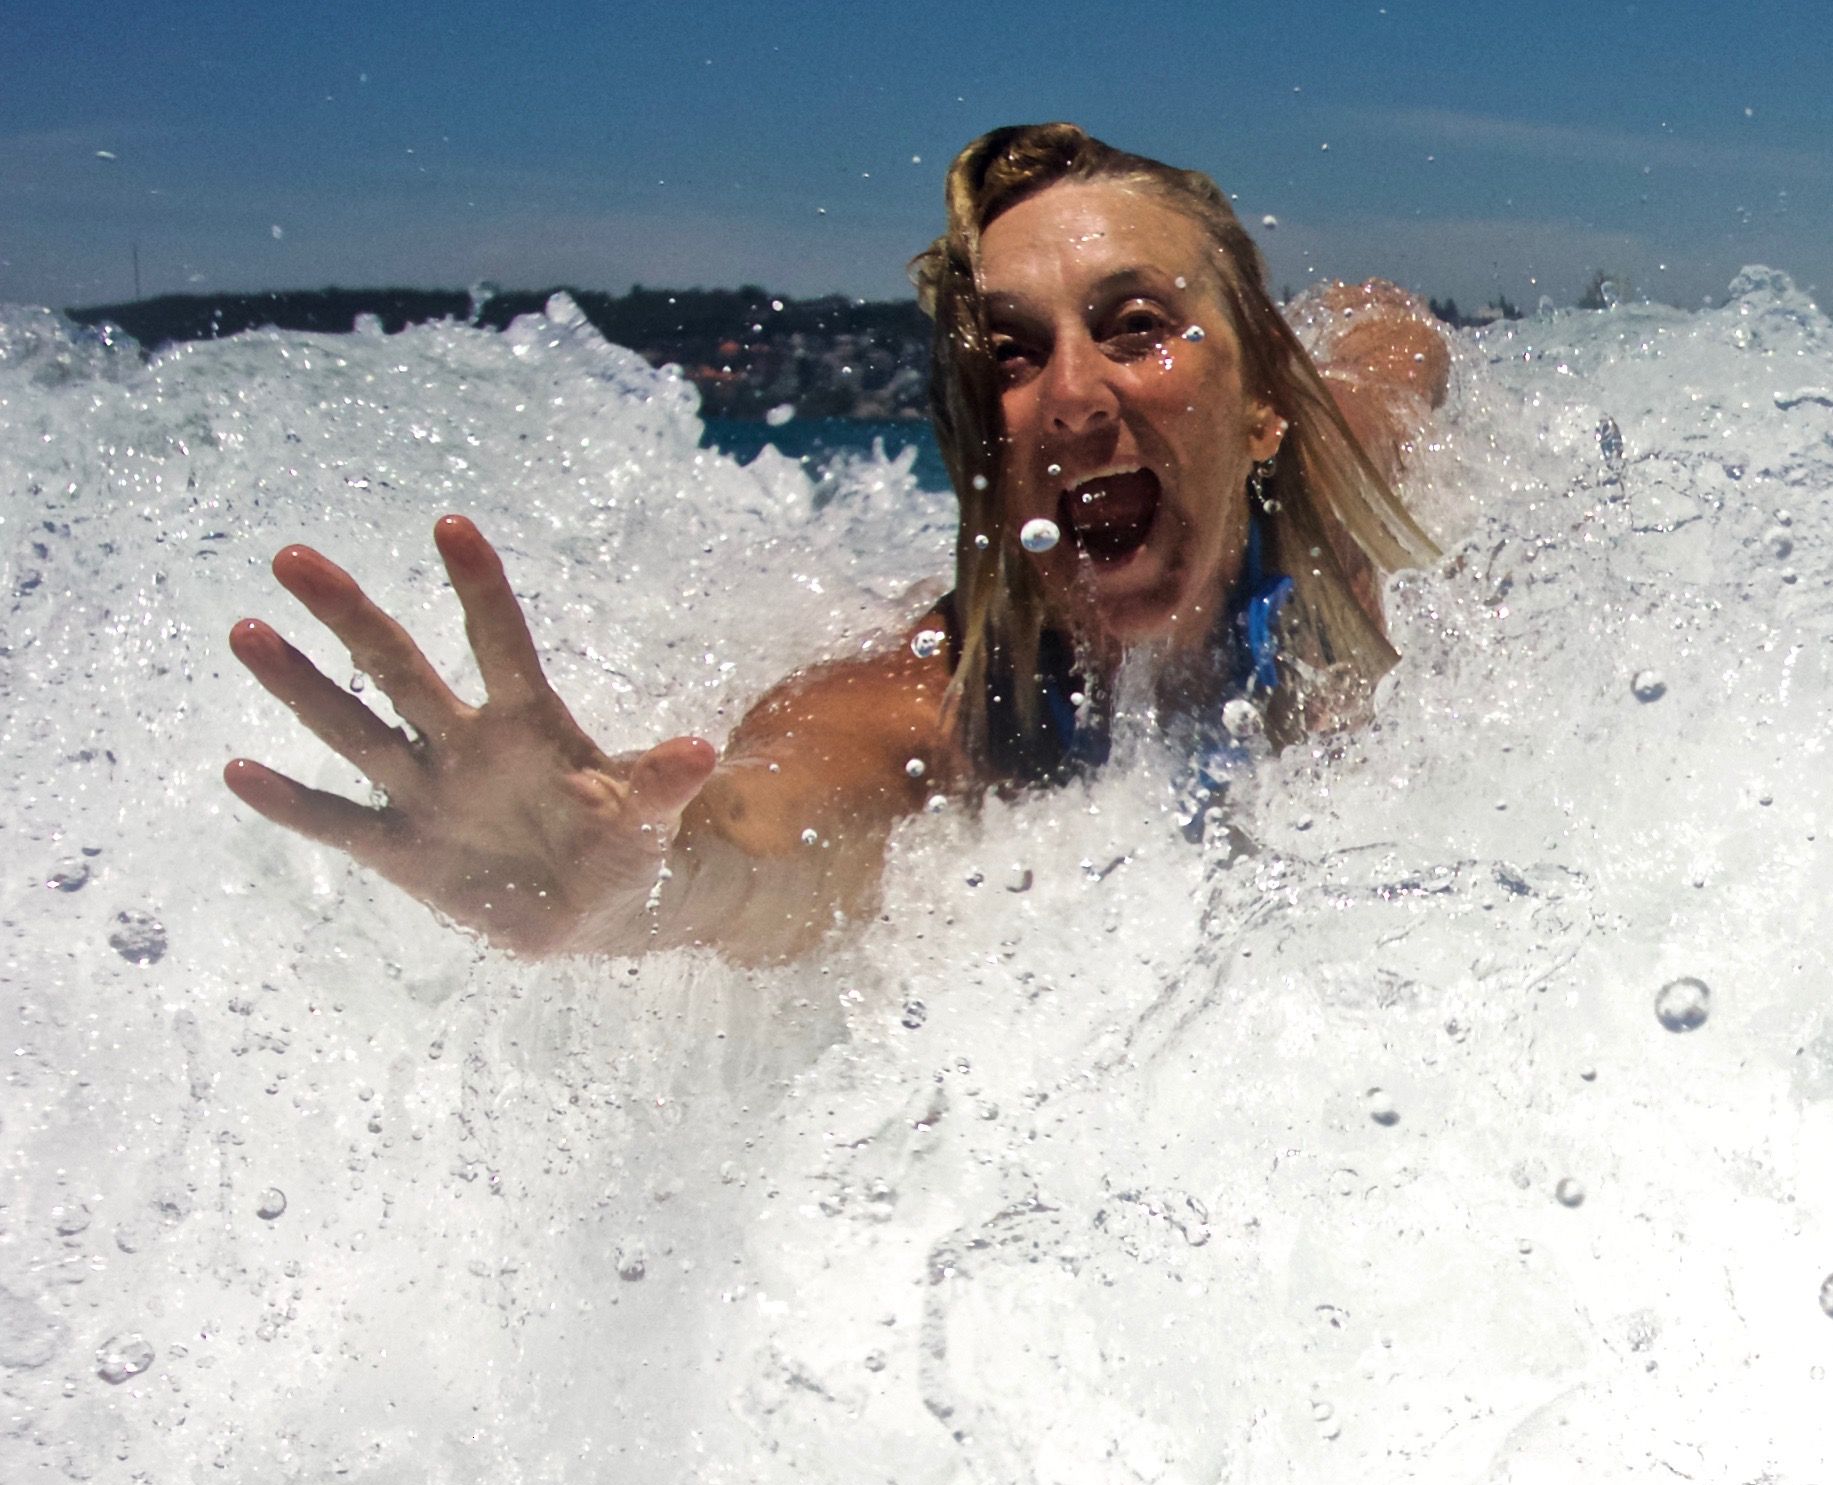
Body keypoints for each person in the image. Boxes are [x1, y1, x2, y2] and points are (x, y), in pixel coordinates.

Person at [219, 124, 1451, 961]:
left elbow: (1394, 334)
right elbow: (773, 819)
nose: (1073, 395)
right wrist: (636, 882)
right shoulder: (936, 704)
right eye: (1011, 355)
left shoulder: (1334, 491)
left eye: (1134, 324)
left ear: (1263, 406)